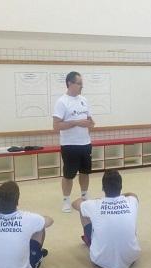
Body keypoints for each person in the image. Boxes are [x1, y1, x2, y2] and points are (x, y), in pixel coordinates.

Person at [72, 170, 140, 268]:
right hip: (131, 256)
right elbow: (133, 194)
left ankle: (89, 239)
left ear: (103, 188)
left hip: (100, 259)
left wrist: (97, 201)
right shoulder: (131, 201)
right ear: (120, 187)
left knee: (83, 210)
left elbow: (75, 203)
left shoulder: (94, 204)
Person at [53, 71, 95, 212]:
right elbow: (56, 126)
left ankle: (84, 196)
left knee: (85, 172)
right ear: (70, 83)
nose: (81, 86)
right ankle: (66, 200)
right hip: (70, 145)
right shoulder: (62, 102)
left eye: (82, 84)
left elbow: (90, 121)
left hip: (85, 144)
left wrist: (90, 124)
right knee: (69, 175)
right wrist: (76, 123)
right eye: (79, 84)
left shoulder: (84, 100)